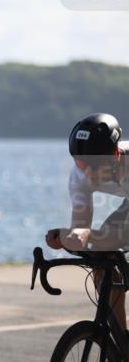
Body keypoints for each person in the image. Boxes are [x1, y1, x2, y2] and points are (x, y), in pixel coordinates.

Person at [46, 112, 126, 329]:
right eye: (81, 164)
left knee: (107, 241)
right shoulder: (79, 175)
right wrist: (66, 236)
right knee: (100, 256)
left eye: (94, 165)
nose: (87, 172)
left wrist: (89, 236)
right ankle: (120, 346)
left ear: (116, 155)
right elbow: (81, 230)